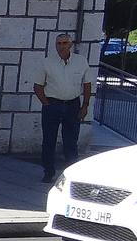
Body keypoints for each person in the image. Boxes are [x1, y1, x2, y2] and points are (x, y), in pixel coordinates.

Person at [34, 33, 93, 183]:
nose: (61, 46)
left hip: (73, 105)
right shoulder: (47, 62)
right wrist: (46, 103)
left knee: (71, 142)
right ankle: (48, 172)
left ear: (70, 45)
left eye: (64, 43)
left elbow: (87, 84)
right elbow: (38, 86)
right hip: (52, 104)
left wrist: (85, 105)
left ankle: (70, 175)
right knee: (49, 140)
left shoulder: (81, 62)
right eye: (58, 43)